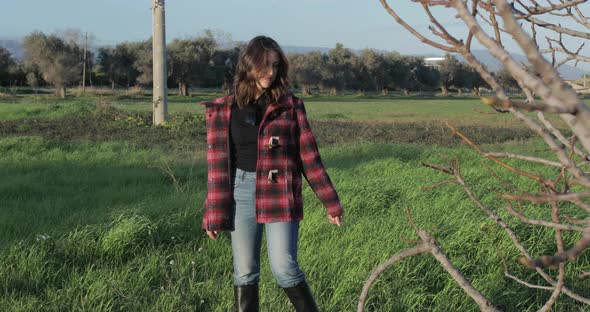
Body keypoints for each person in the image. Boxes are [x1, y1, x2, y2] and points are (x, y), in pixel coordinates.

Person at [201, 35, 343, 312]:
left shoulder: (290, 106)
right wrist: (213, 213)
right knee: (244, 272)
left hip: (280, 192)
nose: (271, 72)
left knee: (285, 268)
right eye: (265, 65)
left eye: (276, 65)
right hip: (241, 190)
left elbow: (309, 158)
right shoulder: (224, 109)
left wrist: (331, 203)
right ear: (249, 66)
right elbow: (218, 167)